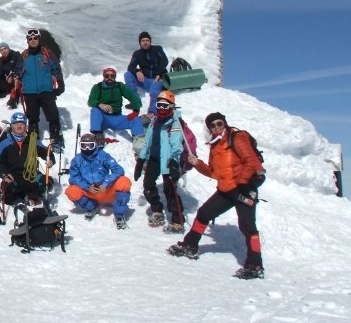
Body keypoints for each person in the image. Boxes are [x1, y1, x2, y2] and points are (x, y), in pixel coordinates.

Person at [168, 112, 267, 279]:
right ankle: (190, 245)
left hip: (244, 189)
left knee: (248, 226)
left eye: (219, 123)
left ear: (225, 123)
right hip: (226, 190)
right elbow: (214, 172)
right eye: (212, 125)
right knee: (204, 213)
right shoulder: (215, 145)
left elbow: (251, 161)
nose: (216, 127)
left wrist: (243, 183)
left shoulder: (237, 138)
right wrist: (197, 163)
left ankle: (255, 265)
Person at [136, 89, 196, 233]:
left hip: (169, 161)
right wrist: (141, 159)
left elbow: (176, 145)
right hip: (154, 159)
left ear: (171, 106)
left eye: (165, 105)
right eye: (159, 105)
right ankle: (157, 210)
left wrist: (174, 162)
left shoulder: (175, 123)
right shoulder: (154, 121)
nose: (162, 108)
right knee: (148, 185)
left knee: (170, 190)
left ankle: (177, 220)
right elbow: (147, 142)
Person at [65, 132, 133, 229]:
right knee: (71, 191)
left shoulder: (103, 156)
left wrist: (105, 184)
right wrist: (87, 187)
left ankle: (119, 215)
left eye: (90, 146)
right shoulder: (77, 160)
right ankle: (92, 207)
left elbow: (119, 170)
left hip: (105, 190)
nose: (87, 149)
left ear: (95, 145)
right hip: (90, 192)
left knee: (124, 182)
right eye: (84, 146)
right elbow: (73, 178)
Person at [0, 110, 54, 206]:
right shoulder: (5, 143)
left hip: (31, 175)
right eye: (16, 124)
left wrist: (50, 159)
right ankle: (10, 192)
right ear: (12, 126)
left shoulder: (33, 140)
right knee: (8, 198)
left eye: (22, 124)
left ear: (26, 126)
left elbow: (46, 152)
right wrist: (4, 174)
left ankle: (31, 195)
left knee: (48, 182)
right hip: (13, 176)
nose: (19, 126)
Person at [18, 28, 65, 148]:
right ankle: (33, 138)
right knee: (32, 118)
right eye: (30, 39)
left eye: (35, 38)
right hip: (29, 91)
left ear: (39, 39)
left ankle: (55, 137)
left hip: (46, 90)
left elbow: (56, 69)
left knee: (53, 115)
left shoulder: (47, 53)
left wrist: (60, 83)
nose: (33, 40)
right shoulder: (24, 56)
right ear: (27, 41)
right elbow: (18, 71)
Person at [87, 67, 145, 151]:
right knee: (95, 110)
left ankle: (139, 143)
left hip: (117, 117)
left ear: (115, 76)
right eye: (107, 76)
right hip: (103, 118)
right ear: (103, 76)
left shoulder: (120, 86)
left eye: (112, 76)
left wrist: (136, 111)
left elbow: (133, 97)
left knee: (136, 119)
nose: (109, 78)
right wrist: (101, 105)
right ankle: (97, 136)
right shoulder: (97, 87)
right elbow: (91, 101)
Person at [124, 31, 169, 115]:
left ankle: (152, 112)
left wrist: (159, 73)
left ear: (150, 41)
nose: (145, 42)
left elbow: (164, 61)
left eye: (147, 40)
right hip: (145, 80)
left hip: (157, 79)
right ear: (140, 43)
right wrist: (137, 71)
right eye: (143, 41)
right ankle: (136, 101)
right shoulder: (137, 54)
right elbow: (130, 67)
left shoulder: (157, 49)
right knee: (128, 74)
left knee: (153, 91)